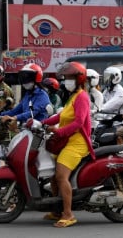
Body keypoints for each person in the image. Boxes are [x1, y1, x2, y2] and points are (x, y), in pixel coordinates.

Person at [39, 61, 94, 228]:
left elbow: (78, 123)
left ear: (79, 79)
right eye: (66, 78)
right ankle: (57, 210)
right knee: (52, 176)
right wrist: (41, 122)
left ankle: (68, 214)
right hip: (66, 140)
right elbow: (61, 116)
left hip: (77, 142)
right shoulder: (73, 96)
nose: (66, 81)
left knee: (61, 176)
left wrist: (57, 131)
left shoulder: (82, 97)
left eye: (70, 77)